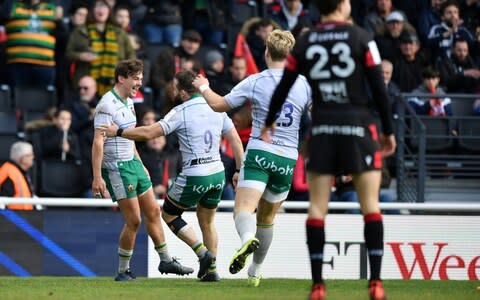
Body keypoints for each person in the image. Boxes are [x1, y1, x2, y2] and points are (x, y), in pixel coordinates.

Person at [260, 1, 396, 299]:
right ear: (344, 5)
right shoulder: (362, 38)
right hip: (358, 127)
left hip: (322, 130)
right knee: (370, 206)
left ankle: (318, 285)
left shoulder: (305, 40)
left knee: (317, 208)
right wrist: (387, 130)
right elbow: (379, 88)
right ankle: (375, 282)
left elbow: (285, 84)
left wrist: (269, 121)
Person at [192, 29, 312, 287]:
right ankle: (255, 271)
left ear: (267, 52)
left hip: (260, 151)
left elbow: (219, 104)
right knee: (267, 219)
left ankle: (247, 239)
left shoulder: (256, 81)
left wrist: (203, 86)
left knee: (243, 209)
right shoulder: (303, 83)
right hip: (288, 158)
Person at [100, 70, 244, 282]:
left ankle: (203, 254)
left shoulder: (181, 111)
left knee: (168, 215)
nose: (174, 92)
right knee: (208, 222)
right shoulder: (217, 108)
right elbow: (235, 140)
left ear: (185, 93)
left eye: (176, 88)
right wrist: (239, 170)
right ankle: (211, 271)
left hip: (196, 173)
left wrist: (119, 132)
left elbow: (149, 133)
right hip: (218, 173)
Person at [92, 59, 193, 281]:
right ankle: (123, 270)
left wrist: (141, 164)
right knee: (134, 220)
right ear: (122, 78)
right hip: (117, 167)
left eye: (140, 78)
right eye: (136, 78)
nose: (140, 83)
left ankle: (166, 260)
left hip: (133, 163)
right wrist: (98, 176)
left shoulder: (129, 102)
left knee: (154, 211)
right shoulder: (106, 105)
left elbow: (130, 135)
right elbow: (98, 142)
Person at [0, 142, 35, 210]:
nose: (33, 157)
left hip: (24, 215)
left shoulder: (20, 171)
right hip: (12, 217)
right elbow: (3, 201)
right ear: (23, 158)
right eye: (31, 155)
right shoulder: (9, 173)